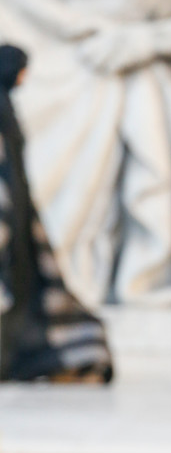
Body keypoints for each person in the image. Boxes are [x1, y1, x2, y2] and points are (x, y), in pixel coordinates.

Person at [0, 45, 112, 382]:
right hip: (8, 220)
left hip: (18, 222)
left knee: (26, 292)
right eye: (21, 68)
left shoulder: (7, 107)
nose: (24, 77)